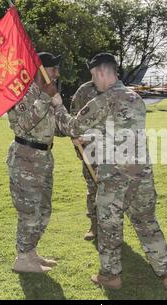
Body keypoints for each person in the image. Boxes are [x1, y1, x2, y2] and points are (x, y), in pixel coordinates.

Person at [54, 53, 167, 290]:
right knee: (147, 222)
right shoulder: (134, 98)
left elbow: (71, 126)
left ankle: (111, 277)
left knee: (109, 225)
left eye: (93, 76)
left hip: (115, 177)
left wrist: (59, 106)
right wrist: (90, 136)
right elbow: (119, 132)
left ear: (101, 72)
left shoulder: (103, 100)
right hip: (141, 174)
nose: (93, 81)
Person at [7, 52, 63, 273]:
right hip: (25, 159)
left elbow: (55, 126)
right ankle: (22, 259)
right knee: (29, 210)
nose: (57, 74)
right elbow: (24, 125)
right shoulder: (21, 93)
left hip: (44, 159)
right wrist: (47, 98)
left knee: (43, 209)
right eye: (52, 69)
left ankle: (31, 253)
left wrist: (76, 130)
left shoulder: (46, 93)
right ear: (40, 70)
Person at [69, 81, 99, 241]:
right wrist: (80, 147)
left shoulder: (118, 90)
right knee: (93, 188)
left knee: (114, 190)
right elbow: (74, 120)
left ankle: (112, 228)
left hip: (115, 151)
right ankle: (94, 225)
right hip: (91, 150)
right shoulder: (84, 90)